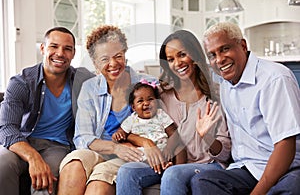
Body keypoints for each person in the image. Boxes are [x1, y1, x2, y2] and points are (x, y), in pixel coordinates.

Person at [116, 29, 231, 195]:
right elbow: (136, 126)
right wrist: (144, 142)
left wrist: (206, 136)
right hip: (168, 163)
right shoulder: (160, 96)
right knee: (127, 171)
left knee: (173, 174)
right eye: (171, 59)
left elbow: (224, 153)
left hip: (206, 165)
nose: (178, 63)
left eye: (182, 55)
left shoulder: (216, 97)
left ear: (195, 55)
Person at [190, 22, 300, 194]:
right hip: (248, 168)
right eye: (212, 55)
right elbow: (228, 153)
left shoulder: (274, 78)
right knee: (202, 182)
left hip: (285, 168)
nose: (219, 59)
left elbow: (285, 145)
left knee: (291, 188)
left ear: (242, 45)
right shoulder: (226, 85)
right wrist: (208, 137)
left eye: (224, 49)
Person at [57, 25, 157, 195]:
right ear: (95, 64)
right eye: (104, 59)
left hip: (133, 154)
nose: (113, 64)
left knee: (98, 185)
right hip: (100, 150)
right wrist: (115, 148)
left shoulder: (149, 86)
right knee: (74, 164)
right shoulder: (90, 88)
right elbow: (83, 137)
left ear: (125, 53)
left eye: (118, 56)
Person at [0, 27, 95, 195]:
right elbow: (6, 128)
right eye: (54, 46)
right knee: (2, 164)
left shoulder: (82, 80)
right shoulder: (21, 82)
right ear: (43, 48)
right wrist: (33, 157)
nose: (60, 53)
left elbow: (111, 79)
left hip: (57, 146)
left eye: (67, 49)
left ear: (73, 54)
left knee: (45, 181)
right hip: (22, 141)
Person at [112, 80, 186, 166]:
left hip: (165, 149)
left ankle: (175, 169)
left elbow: (174, 133)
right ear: (133, 107)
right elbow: (121, 132)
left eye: (150, 99)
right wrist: (118, 135)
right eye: (140, 101)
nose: (146, 103)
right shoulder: (131, 120)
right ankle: (160, 167)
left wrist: (169, 148)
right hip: (146, 153)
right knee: (138, 157)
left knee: (180, 148)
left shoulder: (160, 114)